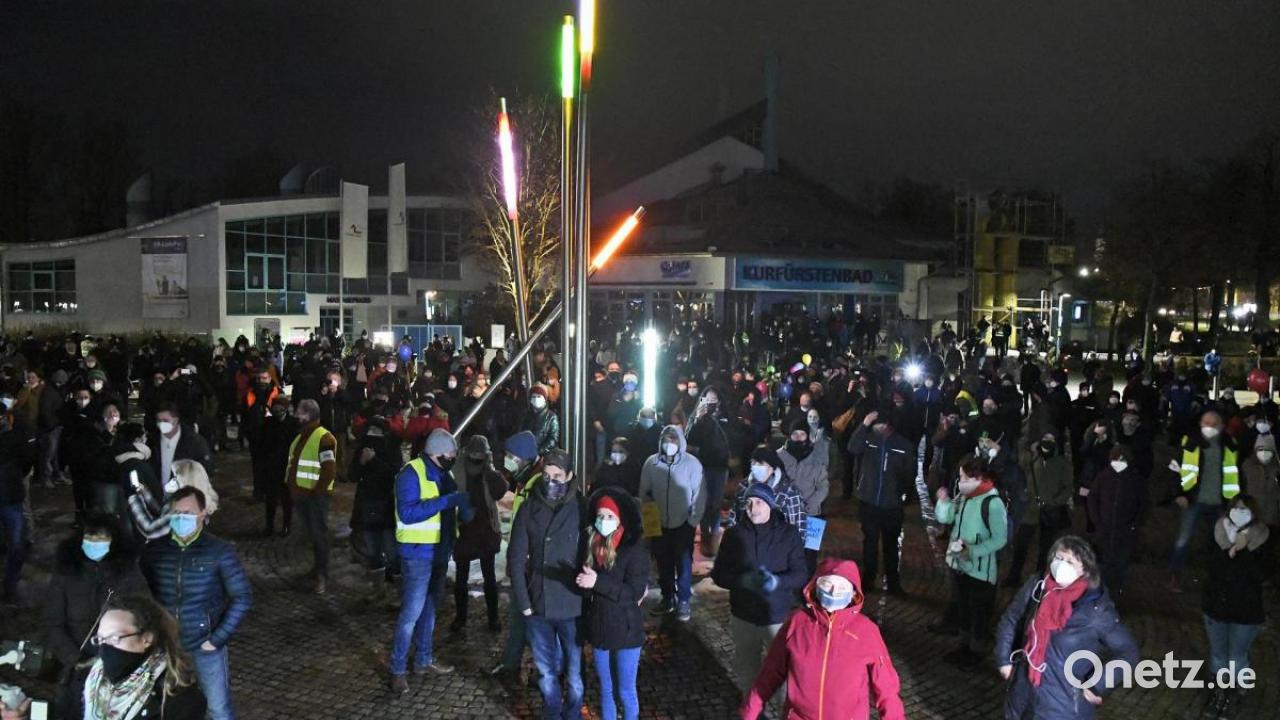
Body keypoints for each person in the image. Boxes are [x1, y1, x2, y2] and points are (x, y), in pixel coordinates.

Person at [995, 535, 1140, 720]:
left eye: (1070, 561)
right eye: (1059, 557)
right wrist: (1003, 660)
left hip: (1063, 707)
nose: (1061, 564)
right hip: (1022, 698)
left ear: (1085, 570)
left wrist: (1097, 684)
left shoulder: (1096, 611)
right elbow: (1011, 619)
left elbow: (1128, 652)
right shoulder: (1038, 587)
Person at [740, 559, 905, 720]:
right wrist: (750, 711)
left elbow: (886, 688)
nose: (833, 593)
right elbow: (770, 673)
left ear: (853, 593)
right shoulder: (797, 623)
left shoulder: (866, 631)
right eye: (827, 584)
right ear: (815, 586)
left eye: (841, 588)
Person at [141, 486, 252, 720]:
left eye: (189, 513)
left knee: (218, 709)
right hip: (166, 647)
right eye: (176, 513)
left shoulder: (219, 551)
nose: (182, 518)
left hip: (205, 645)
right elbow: (143, 595)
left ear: (203, 513)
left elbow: (242, 597)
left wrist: (217, 638)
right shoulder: (155, 551)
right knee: (168, 708)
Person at [388, 429, 469, 694]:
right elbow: (408, 513)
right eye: (451, 455)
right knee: (411, 613)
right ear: (437, 454)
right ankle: (397, 669)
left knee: (431, 610)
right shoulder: (410, 474)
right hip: (417, 554)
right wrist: (447, 501)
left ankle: (423, 659)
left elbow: (451, 512)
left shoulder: (445, 474)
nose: (453, 459)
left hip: (439, 553)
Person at [42, 517, 150, 713]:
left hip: (120, 666)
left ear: (113, 541)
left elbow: (145, 616)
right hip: (77, 667)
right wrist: (76, 659)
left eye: (101, 539)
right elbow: (52, 623)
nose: (94, 544)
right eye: (89, 538)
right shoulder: (67, 572)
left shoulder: (128, 572)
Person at [711, 483, 808, 700]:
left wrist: (777, 582)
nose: (753, 508)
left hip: (776, 617)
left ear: (771, 506)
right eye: (749, 502)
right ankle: (752, 710)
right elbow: (719, 575)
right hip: (743, 616)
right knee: (747, 671)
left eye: (759, 502)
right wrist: (742, 581)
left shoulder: (788, 534)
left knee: (782, 672)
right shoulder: (734, 535)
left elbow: (801, 574)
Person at [508, 449, 585, 720]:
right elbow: (515, 559)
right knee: (546, 673)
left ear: (569, 476)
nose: (551, 481)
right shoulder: (530, 508)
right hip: (539, 605)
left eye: (558, 476)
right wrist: (525, 605)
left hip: (572, 605)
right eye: (547, 475)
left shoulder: (581, 508)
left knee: (574, 673)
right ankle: (552, 714)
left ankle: (572, 715)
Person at [576, 487, 648, 720]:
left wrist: (597, 582)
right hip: (600, 630)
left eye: (609, 516)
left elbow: (634, 591)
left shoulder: (633, 549)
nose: (603, 521)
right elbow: (586, 587)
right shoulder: (591, 544)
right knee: (606, 691)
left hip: (626, 631)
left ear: (620, 519)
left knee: (625, 690)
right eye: (600, 515)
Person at [929, 460, 1008, 671]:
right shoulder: (965, 497)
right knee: (962, 607)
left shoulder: (992, 503)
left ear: (978, 478)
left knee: (978, 613)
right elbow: (945, 517)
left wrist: (972, 551)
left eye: (964, 477)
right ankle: (963, 647)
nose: (960, 481)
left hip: (980, 571)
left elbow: (1000, 539)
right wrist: (943, 501)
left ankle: (976, 652)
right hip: (959, 564)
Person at [1200, 494, 1268, 718]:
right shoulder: (1219, 532)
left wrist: (1244, 550)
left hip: (1245, 611)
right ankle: (1219, 691)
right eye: (1236, 508)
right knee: (1219, 655)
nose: (1239, 513)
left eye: (1245, 509)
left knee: (1236, 656)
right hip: (1216, 606)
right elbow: (1210, 567)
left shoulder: (1262, 538)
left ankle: (1235, 691)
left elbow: (1261, 574)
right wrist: (1229, 550)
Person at [638, 425, 704, 622]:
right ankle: (668, 596)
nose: (669, 444)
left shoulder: (692, 464)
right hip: (659, 523)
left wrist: (692, 521)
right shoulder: (651, 463)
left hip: (683, 522)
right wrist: (650, 523)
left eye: (673, 440)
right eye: (666, 440)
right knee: (663, 561)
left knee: (683, 563)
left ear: (680, 442)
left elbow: (699, 496)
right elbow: (644, 493)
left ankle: (683, 599)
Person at [847, 409, 915, 595]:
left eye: (878, 423)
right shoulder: (868, 439)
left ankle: (893, 581)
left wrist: (903, 494)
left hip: (892, 505)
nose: (876, 427)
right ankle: (868, 578)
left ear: (888, 425)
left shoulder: (903, 445)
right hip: (868, 501)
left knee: (891, 544)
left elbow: (910, 473)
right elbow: (852, 447)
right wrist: (864, 424)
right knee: (869, 542)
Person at [1170, 411, 1239, 592]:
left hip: (1220, 503)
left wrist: (1233, 501)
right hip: (1194, 501)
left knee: (1220, 542)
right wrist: (1179, 493)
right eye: (1205, 422)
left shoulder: (1230, 445)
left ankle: (1218, 578)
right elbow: (1175, 469)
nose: (1207, 426)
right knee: (1183, 541)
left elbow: (1235, 474)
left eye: (1212, 423)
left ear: (1221, 426)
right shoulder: (1190, 442)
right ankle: (1175, 577)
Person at [451, 435, 506, 633]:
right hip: (466, 531)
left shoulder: (485, 472)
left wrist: (490, 469)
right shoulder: (458, 471)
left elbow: (500, 489)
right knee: (463, 577)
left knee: (486, 576)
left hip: (482, 531)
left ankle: (489, 618)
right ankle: (464, 617)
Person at [284, 398, 337, 594]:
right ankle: (316, 571)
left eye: (298, 411)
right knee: (313, 536)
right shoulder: (302, 436)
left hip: (314, 497)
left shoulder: (324, 438)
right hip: (303, 495)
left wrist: (317, 493)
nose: (295, 414)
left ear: (307, 415)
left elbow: (329, 469)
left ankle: (322, 576)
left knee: (319, 535)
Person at [1007, 432, 1073, 587]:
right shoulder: (1030, 459)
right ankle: (1014, 576)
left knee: (1046, 547)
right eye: (1045, 439)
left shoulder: (1062, 463)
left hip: (1050, 511)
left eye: (1051, 440)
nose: (1047, 443)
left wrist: (1055, 502)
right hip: (1030, 510)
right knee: (1021, 545)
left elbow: (1068, 487)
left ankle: (1041, 579)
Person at [350, 419, 401, 600]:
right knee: (373, 551)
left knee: (392, 551)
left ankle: (398, 591)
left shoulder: (392, 451)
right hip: (367, 507)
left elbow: (394, 475)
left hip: (387, 508)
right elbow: (352, 475)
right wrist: (362, 462)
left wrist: (374, 461)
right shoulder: (361, 450)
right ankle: (378, 588)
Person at [1086, 445, 1148, 594]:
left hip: (1125, 533)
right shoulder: (1103, 476)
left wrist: (1134, 525)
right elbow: (1092, 498)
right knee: (1103, 563)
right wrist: (1097, 522)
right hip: (1104, 531)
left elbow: (1144, 505)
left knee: (1121, 563)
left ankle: (1116, 591)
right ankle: (1100, 593)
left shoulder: (1136, 480)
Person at [685, 387, 732, 558]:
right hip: (703, 465)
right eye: (707, 400)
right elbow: (689, 438)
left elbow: (731, 437)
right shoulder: (698, 417)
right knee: (703, 502)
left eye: (714, 401)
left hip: (720, 466)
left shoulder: (725, 418)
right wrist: (698, 418)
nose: (711, 404)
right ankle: (705, 536)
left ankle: (715, 535)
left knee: (716, 503)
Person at [777, 420, 829, 573]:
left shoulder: (817, 458)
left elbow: (823, 486)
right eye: (795, 434)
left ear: (808, 436)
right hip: (784, 513)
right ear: (789, 436)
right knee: (784, 551)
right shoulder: (779, 456)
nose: (798, 438)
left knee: (809, 555)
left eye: (802, 434)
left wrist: (811, 504)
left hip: (811, 514)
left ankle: (806, 586)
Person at [0, 407, 35, 603]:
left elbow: (26, 462)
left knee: (16, 545)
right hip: (11, 493)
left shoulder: (15, 437)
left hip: (10, 495)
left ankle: (10, 585)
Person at [148, 403, 214, 489]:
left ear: (175, 421)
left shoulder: (194, 441)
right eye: (158, 421)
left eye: (165, 421)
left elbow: (205, 469)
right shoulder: (152, 441)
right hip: (158, 495)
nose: (161, 424)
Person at [259, 396, 298, 537]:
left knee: (286, 498)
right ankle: (269, 526)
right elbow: (262, 444)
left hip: (286, 466)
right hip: (271, 466)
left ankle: (286, 526)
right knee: (271, 498)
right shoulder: (267, 423)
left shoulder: (293, 424)